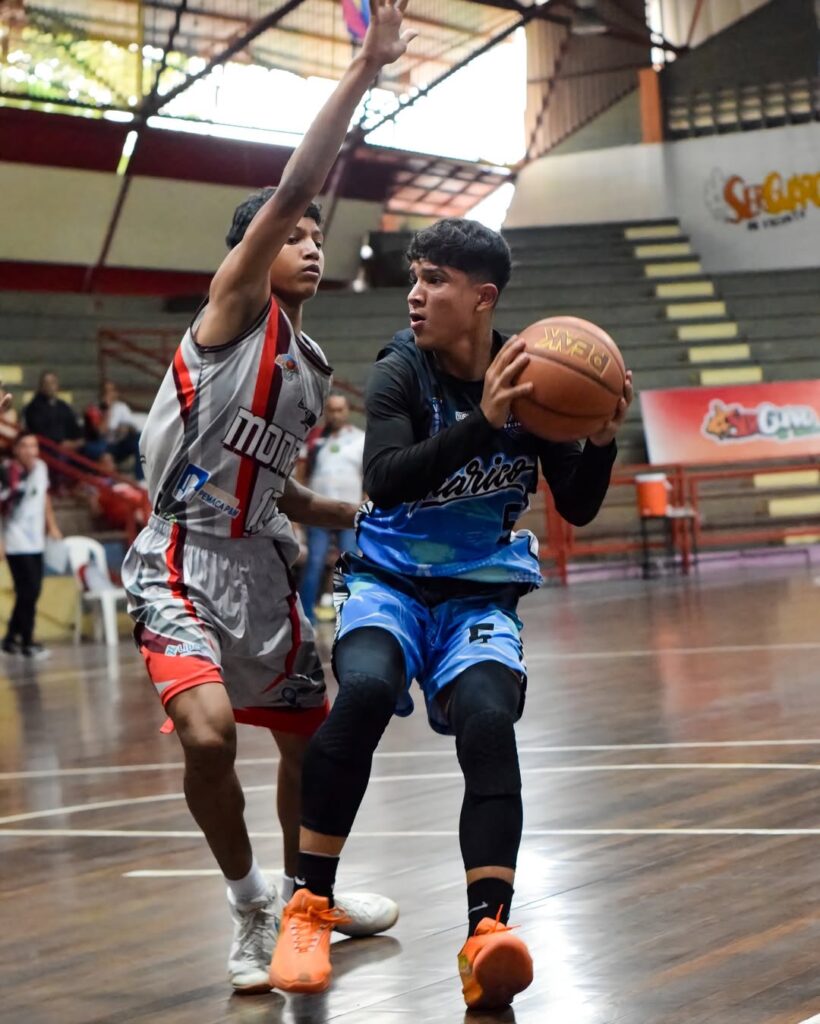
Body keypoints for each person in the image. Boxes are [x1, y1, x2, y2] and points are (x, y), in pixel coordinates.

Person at [121, 0, 416, 997]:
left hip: (259, 562)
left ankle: (304, 902)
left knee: (310, 741)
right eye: (296, 234)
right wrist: (366, 70)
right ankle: (249, 906)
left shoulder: (308, 364)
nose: (312, 243)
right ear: (256, 250)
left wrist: (343, 515)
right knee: (208, 733)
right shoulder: (235, 309)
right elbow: (295, 183)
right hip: (179, 557)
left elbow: (269, 483)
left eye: (318, 237)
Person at [270, 218, 634, 1008]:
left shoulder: (534, 376)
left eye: (434, 280)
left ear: (482, 298)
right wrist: (484, 424)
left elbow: (577, 504)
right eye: (415, 277)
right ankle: (307, 908)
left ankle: (485, 935)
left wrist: (602, 441)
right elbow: (386, 480)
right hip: (389, 583)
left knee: (489, 720)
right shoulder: (400, 368)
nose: (416, 294)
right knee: (366, 692)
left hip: (479, 593)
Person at [297, 392, 364, 622]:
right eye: (332, 410)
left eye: (340, 409)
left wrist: (367, 509)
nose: (336, 414)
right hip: (318, 513)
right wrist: (297, 517)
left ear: (347, 411)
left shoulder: (361, 439)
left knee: (349, 564)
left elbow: (369, 478)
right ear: (326, 412)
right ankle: (306, 617)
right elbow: (301, 476)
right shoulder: (314, 440)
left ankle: (349, 616)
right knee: (314, 563)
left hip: (349, 514)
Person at [1, 432, 62, 659]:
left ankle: (10, 639)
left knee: (29, 592)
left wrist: (52, 525)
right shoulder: (6, 471)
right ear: (16, 449)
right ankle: (27, 641)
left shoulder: (41, 468)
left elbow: (44, 498)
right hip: (15, 540)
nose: (30, 451)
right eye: (24, 446)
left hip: (36, 540)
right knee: (29, 591)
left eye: (34, 446)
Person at [83, 381, 144, 481]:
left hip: (118, 445)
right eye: (106, 391)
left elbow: (133, 427)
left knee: (139, 438)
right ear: (101, 394)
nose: (109, 394)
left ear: (116, 393)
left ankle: (140, 478)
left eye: (111, 391)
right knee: (98, 449)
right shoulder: (94, 409)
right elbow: (100, 432)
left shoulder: (122, 407)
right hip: (101, 446)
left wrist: (126, 428)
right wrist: (107, 410)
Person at [22, 372, 82, 450]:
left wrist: (77, 441)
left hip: (69, 447)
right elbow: (39, 432)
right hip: (48, 449)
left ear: (57, 385)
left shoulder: (63, 406)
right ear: (41, 386)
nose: (49, 386)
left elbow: (74, 426)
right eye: (46, 383)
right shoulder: (33, 408)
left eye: (52, 382)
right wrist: (61, 442)